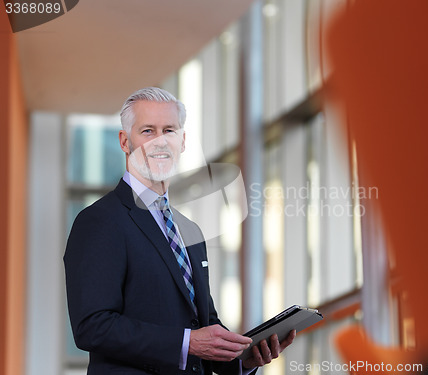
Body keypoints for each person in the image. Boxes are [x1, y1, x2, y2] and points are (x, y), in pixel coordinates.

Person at [63, 87, 295, 375]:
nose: (160, 141)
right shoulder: (100, 221)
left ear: (182, 141)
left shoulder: (188, 230)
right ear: (125, 141)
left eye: (169, 130)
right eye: (148, 131)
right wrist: (187, 342)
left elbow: (204, 325)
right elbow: (92, 327)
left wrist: (242, 358)